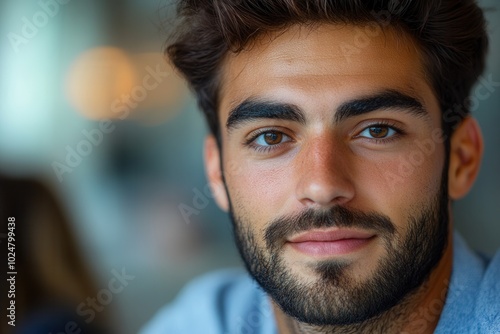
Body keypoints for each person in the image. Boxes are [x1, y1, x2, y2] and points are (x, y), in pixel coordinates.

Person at [141, 1, 500, 333]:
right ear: (217, 173)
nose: (322, 185)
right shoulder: (201, 320)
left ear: (460, 159)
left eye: (378, 131)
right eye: (269, 137)